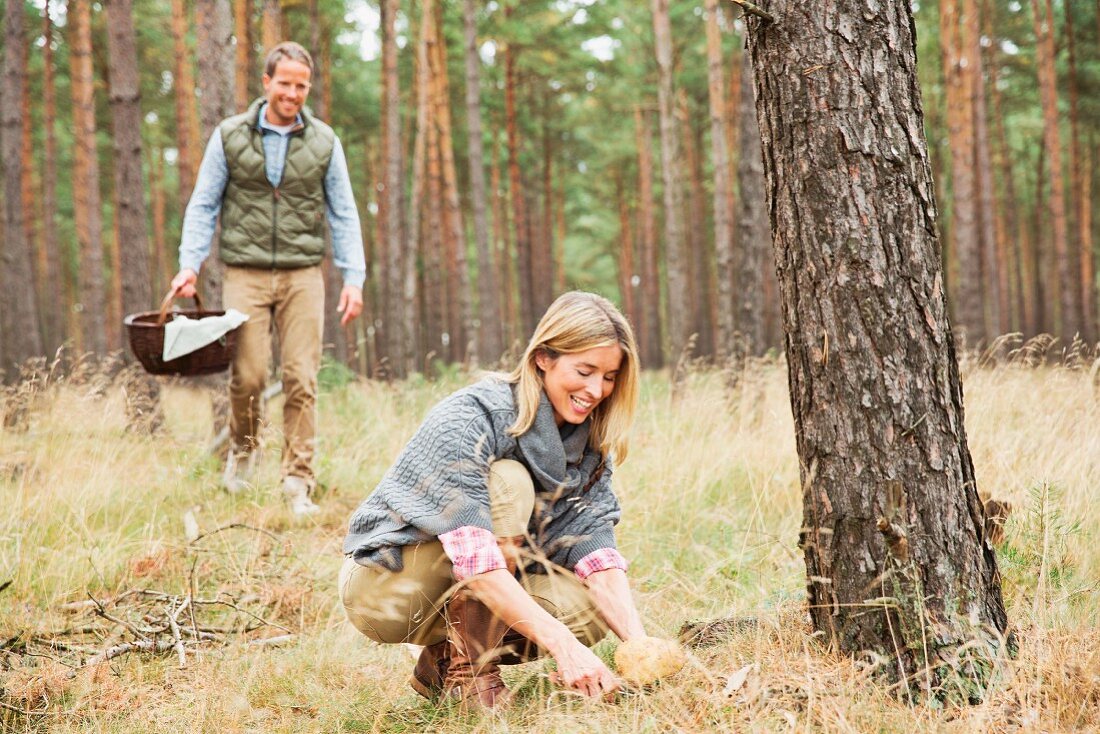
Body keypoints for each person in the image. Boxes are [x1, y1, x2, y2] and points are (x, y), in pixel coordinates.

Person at [340, 291, 650, 709]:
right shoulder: (473, 417)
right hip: (388, 586)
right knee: (509, 480)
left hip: (462, 590)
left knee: (588, 612)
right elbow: (479, 567)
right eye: (585, 370)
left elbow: (595, 551)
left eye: (610, 376)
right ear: (543, 357)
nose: (596, 389)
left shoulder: (587, 443)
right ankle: (472, 678)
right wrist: (562, 646)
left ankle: (444, 662)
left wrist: (640, 647)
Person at [170, 41, 365, 516]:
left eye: (301, 86)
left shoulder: (324, 141)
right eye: (284, 83)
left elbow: (343, 213)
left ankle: (298, 480)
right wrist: (189, 264)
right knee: (249, 375)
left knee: (301, 378)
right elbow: (204, 203)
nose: (292, 93)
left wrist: (353, 277)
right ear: (266, 83)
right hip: (245, 273)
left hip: (303, 274)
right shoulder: (231, 135)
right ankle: (244, 449)